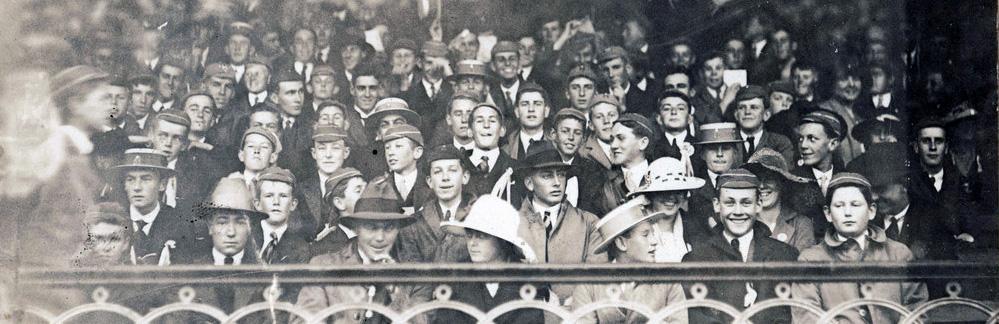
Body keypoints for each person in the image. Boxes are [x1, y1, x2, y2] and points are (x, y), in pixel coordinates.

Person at [791, 173, 929, 324]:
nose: (847, 212)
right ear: (828, 213)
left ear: (871, 211)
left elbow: (916, 310)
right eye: (839, 206)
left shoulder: (899, 254)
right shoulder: (811, 260)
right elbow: (807, 317)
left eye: (855, 204)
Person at [294, 188, 431, 324]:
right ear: (356, 228)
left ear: (398, 230)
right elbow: (305, 320)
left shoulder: (415, 275)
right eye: (371, 227)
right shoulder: (324, 266)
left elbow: (420, 322)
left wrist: (394, 290)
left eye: (389, 228)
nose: (380, 237)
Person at [682, 169, 799, 324]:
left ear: (758, 205)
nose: (738, 211)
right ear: (717, 205)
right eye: (730, 203)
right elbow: (696, 317)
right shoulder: (696, 260)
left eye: (746, 203)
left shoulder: (785, 256)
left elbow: (793, 314)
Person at [571, 197, 688, 324]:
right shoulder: (589, 286)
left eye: (653, 234)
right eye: (645, 235)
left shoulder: (668, 282)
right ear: (621, 243)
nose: (654, 241)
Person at [432, 195, 545, 324]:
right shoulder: (456, 280)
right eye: (469, 235)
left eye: (481, 236)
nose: (472, 243)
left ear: (502, 241)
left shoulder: (527, 284)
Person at [515, 143, 605, 303]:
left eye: (562, 175)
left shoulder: (589, 223)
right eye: (547, 176)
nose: (557, 182)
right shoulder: (513, 224)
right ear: (529, 183)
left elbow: (597, 278)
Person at [113, 148, 196, 265]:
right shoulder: (114, 220)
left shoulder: (181, 224)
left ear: (162, 184)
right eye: (130, 179)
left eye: (146, 179)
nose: (137, 187)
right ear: (124, 185)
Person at [397, 145, 473, 262]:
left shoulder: (481, 219)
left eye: (452, 170)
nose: (445, 178)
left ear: (465, 177)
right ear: (430, 181)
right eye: (437, 172)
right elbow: (412, 275)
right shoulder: (412, 225)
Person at [628, 157, 710, 262]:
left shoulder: (696, 226)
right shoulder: (637, 228)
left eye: (678, 191)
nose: (671, 197)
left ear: (685, 195)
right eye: (663, 191)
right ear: (650, 195)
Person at [742, 148, 816, 251]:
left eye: (769, 178)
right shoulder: (742, 221)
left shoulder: (800, 224)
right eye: (757, 179)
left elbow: (805, 265)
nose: (762, 185)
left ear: (782, 183)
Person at [791, 109, 848, 239]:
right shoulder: (791, 181)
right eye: (801, 138)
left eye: (812, 139)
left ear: (833, 144)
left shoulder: (847, 180)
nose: (803, 145)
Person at [598, 113, 658, 215]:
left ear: (643, 143)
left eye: (621, 138)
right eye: (612, 139)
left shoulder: (660, 176)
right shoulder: (602, 182)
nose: (613, 145)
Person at [366, 124, 433, 213]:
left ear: (417, 152)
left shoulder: (431, 185)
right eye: (387, 148)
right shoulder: (376, 187)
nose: (390, 153)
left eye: (398, 146)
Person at [548, 108, 605, 213]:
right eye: (565, 131)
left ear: (583, 139)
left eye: (577, 133)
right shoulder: (542, 166)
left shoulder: (593, 171)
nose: (571, 137)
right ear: (553, 134)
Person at [687, 123, 743, 227]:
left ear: (735, 154)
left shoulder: (744, 185)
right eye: (713, 148)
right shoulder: (693, 188)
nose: (719, 154)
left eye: (726, 148)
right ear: (703, 154)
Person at [298, 125, 351, 235]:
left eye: (335, 148)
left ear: (346, 152)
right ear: (314, 153)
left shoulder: (357, 188)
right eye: (321, 148)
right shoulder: (300, 189)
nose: (328, 155)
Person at [253, 167, 311, 264]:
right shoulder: (247, 237)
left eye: (283, 196)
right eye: (269, 196)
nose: (276, 202)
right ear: (257, 204)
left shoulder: (302, 248)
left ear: (293, 204)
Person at [310, 167, 367, 256]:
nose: (368, 195)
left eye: (367, 189)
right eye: (358, 191)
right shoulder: (322, 250)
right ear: (339, 203)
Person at [732, 85, 795, 163]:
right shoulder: (728, 143)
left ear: (766, 115)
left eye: (754, 107)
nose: (747, 112)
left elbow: (784, 173)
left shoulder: (780, 144)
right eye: (742, 107)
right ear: (736, 115)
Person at [466, 103, 517, 197]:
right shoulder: (460, 166)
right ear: (469, 131)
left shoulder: (516, 168)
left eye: (492, 121)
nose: (486, 125)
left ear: (502, 130)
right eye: (479, 121)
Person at [596, 46, 656, 117]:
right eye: (606, 70)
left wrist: (623, 108)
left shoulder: (644, 98)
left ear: (628, 69)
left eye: (616, 67)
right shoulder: (597, 95)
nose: (611, 74)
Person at [503, 82, 551, 160]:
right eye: (525, 104)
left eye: (537, 104)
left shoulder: (557, 145)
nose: (531, 109)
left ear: (546, 111)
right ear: (516, 111)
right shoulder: (505, 150)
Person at [578, 94, 621, 170]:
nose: (606, 121)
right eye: (599, 117)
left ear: (621, 120)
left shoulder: (633, 145)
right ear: (591, 125)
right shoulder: (582, 153)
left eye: (611, 115)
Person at [652, 90, 698, 160]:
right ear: (659, 119)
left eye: (680, 108)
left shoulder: (699, 146)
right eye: (667, 109)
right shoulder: (652, 149)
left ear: (689, 118)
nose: (674, 112)